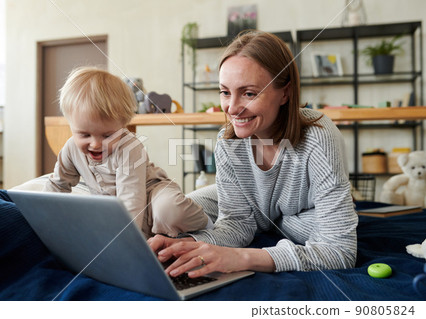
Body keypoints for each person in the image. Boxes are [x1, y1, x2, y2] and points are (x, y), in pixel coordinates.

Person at [148, 31, 358, 278]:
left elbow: (341, 251)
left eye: (249, 93)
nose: (233, 108)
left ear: (285, 93)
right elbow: (237, 223)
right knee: (179, 210)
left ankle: (278, 220)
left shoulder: (319, 136)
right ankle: (276, 220)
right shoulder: (227, 140)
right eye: (225, 92)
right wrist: (191, 245)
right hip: (254, 206)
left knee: (300, 226)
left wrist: (242, 257)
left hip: (301, 209)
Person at [44, 66, 213, 238]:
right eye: (84, 134)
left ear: (123, 125)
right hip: (118, 210)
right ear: (71, 124)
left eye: (107, 135)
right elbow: (57, 186)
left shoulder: (129, 147)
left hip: (150, 194)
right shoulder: (71, 148)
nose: (95, 144)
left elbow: (131, 201)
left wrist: (127, 244)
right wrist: (43, 218)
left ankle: (207, 223)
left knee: (170, 211)